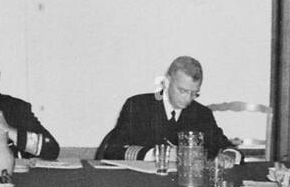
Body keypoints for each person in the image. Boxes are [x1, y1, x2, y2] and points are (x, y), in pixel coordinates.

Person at [96, 55, 237, 161]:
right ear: (167, 82)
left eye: (194, 93)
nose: (188, 98)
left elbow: (227, 147)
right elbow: (112, 150)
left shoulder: (202, 114)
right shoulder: (138, 106)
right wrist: (161, 154)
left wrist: (228, 155)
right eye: (182, 90)